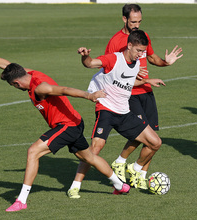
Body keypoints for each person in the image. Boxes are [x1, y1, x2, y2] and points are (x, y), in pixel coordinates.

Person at [0, 44, 130, 212]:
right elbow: (7, 66)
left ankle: (21, 200)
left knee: (33, 152)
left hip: (67, 126)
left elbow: (64, 90)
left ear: (16, 83)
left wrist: (89, 95)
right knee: (89, 157)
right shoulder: (29, 73)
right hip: (75, 121)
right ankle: (120, 185)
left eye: (13, 85)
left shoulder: (39, 87)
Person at [67, 30, 166, 199]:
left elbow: (128, 79)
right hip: (106, 109)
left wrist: (147, 81)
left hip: (124, 112)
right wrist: (84, 56)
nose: (142, 55)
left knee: (155, 142)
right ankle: (75, 186)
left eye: (143, 51)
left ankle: (135, 168)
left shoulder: (135, 62)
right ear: (129, 45)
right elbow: (91, 63)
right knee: (95, 149)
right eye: (138, 51)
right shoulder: (114, 58)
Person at [104, 4, 183, 189]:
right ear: (124, 19)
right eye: (133, 21)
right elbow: (108, 68)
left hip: (146, 91)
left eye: (139, 21)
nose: (137, 25)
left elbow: (152, 57)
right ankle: (121, 161)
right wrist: (128, 72)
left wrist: (166, 63)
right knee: (141, 134)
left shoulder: (142, 36)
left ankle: (141, 175)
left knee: (152, 135)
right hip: (129, 93)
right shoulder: (115, 41)